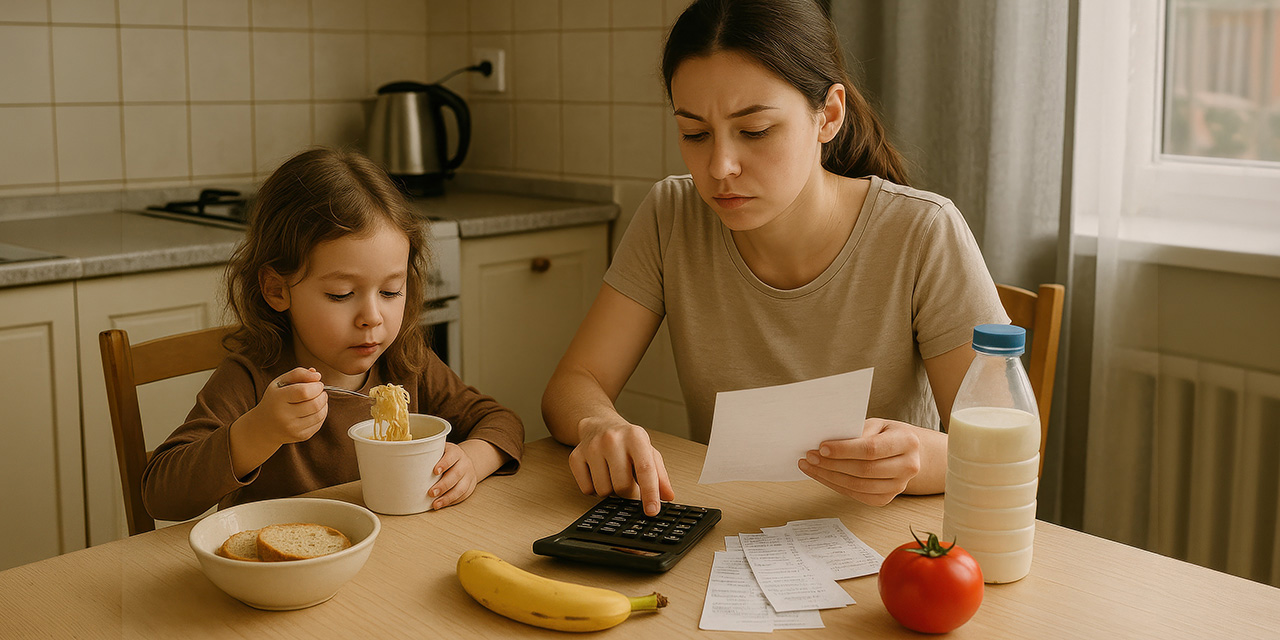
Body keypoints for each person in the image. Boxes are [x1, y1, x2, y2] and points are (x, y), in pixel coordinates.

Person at [542, 0, 1008, 517]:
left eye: (755, 131)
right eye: (694, 134)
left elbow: (1008, 451)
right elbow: (573, 383)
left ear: (828, 115)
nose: (720, 167)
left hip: (883, 546)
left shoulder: (923, 232)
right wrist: (599, 424)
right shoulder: (671, 214)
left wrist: (919, 457)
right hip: (725, 531)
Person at [143, 148, 523, 520]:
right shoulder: (252, 380)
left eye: (391, 291)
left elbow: (501, 421)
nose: (372, 317)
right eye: (341, 294)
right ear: (277, 289)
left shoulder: (406, 363)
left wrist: (474, 458)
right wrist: (256, 432)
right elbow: (162, 496)